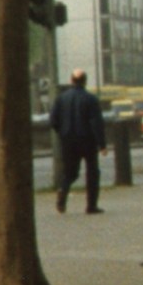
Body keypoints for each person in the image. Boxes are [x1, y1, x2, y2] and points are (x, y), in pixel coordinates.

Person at [50, 69, 107, 215]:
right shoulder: (91, 99)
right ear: (85, 81)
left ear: (71, 81)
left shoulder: (61, 98)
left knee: (70, 172)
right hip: (87, 140)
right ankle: (91, 205)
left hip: (68, 140)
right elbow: (96, 123)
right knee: (92, 172)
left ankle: (63, 191)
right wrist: (102, 144)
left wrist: (62, 133)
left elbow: (53, 120)